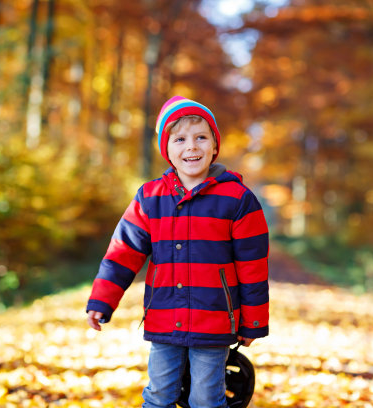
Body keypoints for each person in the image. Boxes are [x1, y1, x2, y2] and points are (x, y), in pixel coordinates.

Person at [86, 96, 269, 408]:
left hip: (214, 320)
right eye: (180, 139)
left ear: (215, 146)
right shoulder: (149, 198)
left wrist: (253, 322)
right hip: (164, 316)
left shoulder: (237, 199)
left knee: (205, 400)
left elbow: (253, 266)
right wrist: (102, 299)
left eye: (201, 137)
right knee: (158, 396)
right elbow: (123, 252)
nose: (191, 147)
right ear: (167, 149)